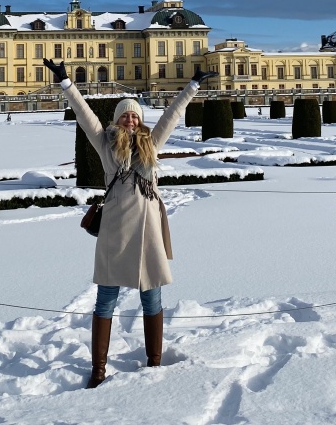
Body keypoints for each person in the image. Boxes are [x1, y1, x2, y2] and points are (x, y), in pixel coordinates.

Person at [44, 57, 216, 388]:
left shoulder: (152, 143)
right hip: (116, 229)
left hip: (148, 228)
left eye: (135, 114)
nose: (131, 118)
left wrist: (192, 85)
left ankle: (154, 361)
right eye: (126, 113)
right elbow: (84, 116)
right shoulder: (106, 142)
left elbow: (172, 115)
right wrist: (66, 82)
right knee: (106, 297)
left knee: (151, 297)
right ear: (117, 118)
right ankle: (98, 368)